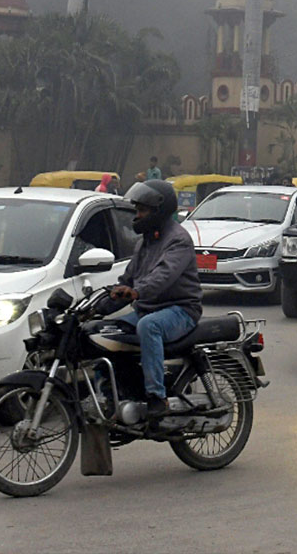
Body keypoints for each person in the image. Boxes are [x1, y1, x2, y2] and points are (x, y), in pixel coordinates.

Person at [107, 180, 202, 420]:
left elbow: (164, 276)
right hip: (148, 308)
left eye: (142, 211)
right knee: (104, 332)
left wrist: (137, 292)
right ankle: (120, 391)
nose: (137, 216)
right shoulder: (145, 242)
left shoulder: (178, 240)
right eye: (137, 210)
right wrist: (104, 301)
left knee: (149, 326)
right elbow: (128, 278)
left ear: (158, 210)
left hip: (180, 310)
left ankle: (157, 398)